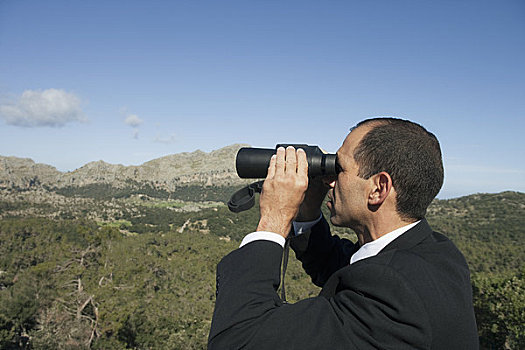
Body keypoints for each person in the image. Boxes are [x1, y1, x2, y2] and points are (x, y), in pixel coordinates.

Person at [208, 118, 479, 349]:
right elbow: (342, 268)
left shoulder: (396, 293)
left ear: (378, 188)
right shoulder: (435, 253)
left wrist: (274, 218)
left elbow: (238, 338)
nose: (330, 179)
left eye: (341, 168)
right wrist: (308, 210)